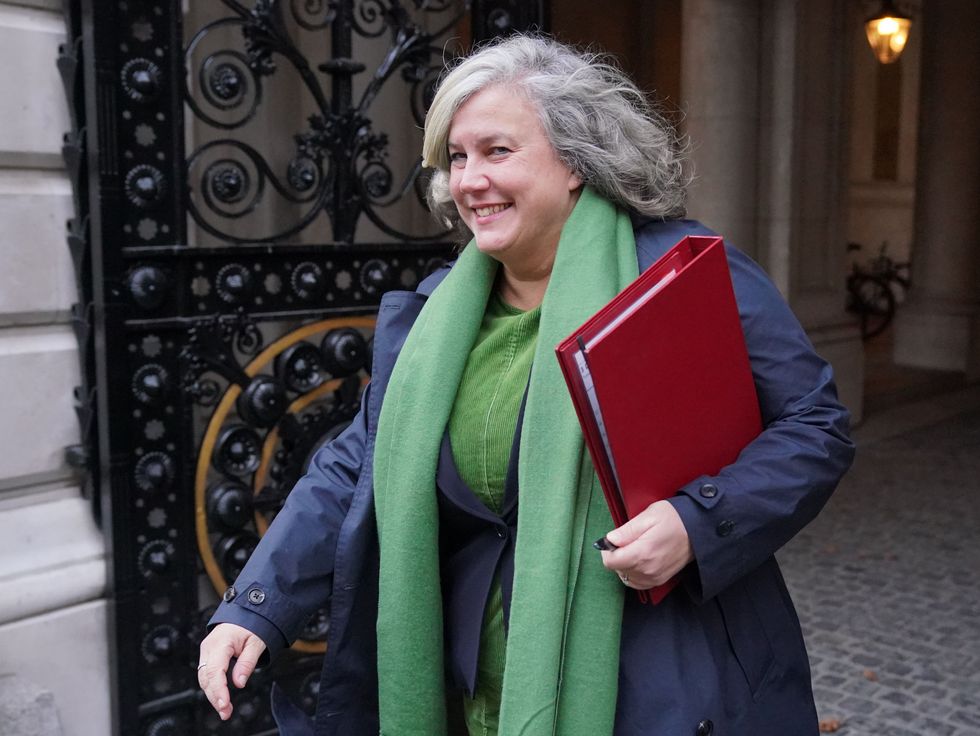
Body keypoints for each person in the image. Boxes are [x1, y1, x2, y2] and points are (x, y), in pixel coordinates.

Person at [198, 35, 854, 736]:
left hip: (661, 690)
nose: (467, 180)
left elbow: (816, 426)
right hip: (480, 693)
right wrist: (256, 605)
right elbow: (355, 461)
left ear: (575, 161)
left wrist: (699, 522)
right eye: (456, 157)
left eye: (496, 151)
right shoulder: (437, 316)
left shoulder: (683, 276)